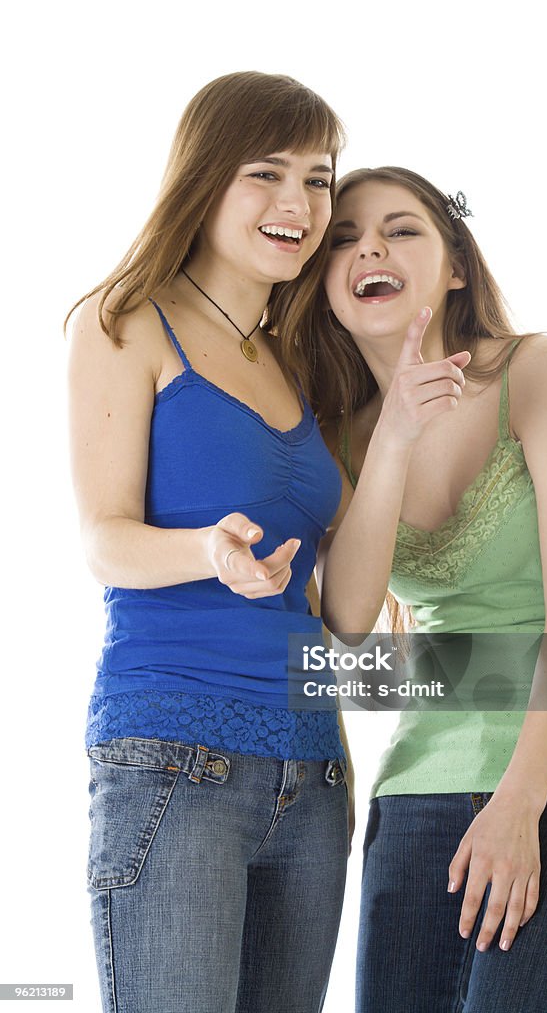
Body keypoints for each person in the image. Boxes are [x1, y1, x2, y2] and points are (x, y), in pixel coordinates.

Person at [309, 166, 547, 1013]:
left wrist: (520, 803)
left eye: (402, 229)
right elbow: (351, 623)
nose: (370, 246)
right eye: (343, 238)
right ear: (324, 284)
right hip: (428, 757)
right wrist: (393, 436)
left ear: (456, 267)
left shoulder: (534, 372)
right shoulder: (332, 438)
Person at [66, 72, 352, 1013]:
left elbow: (346, 607)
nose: (297, 204)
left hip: (315, 769)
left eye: (318, 178)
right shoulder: (125, 321)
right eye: (265, 173)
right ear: (204, 178)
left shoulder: (303, 360)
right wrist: (207, 553)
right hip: (176, 758)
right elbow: (105, 540)